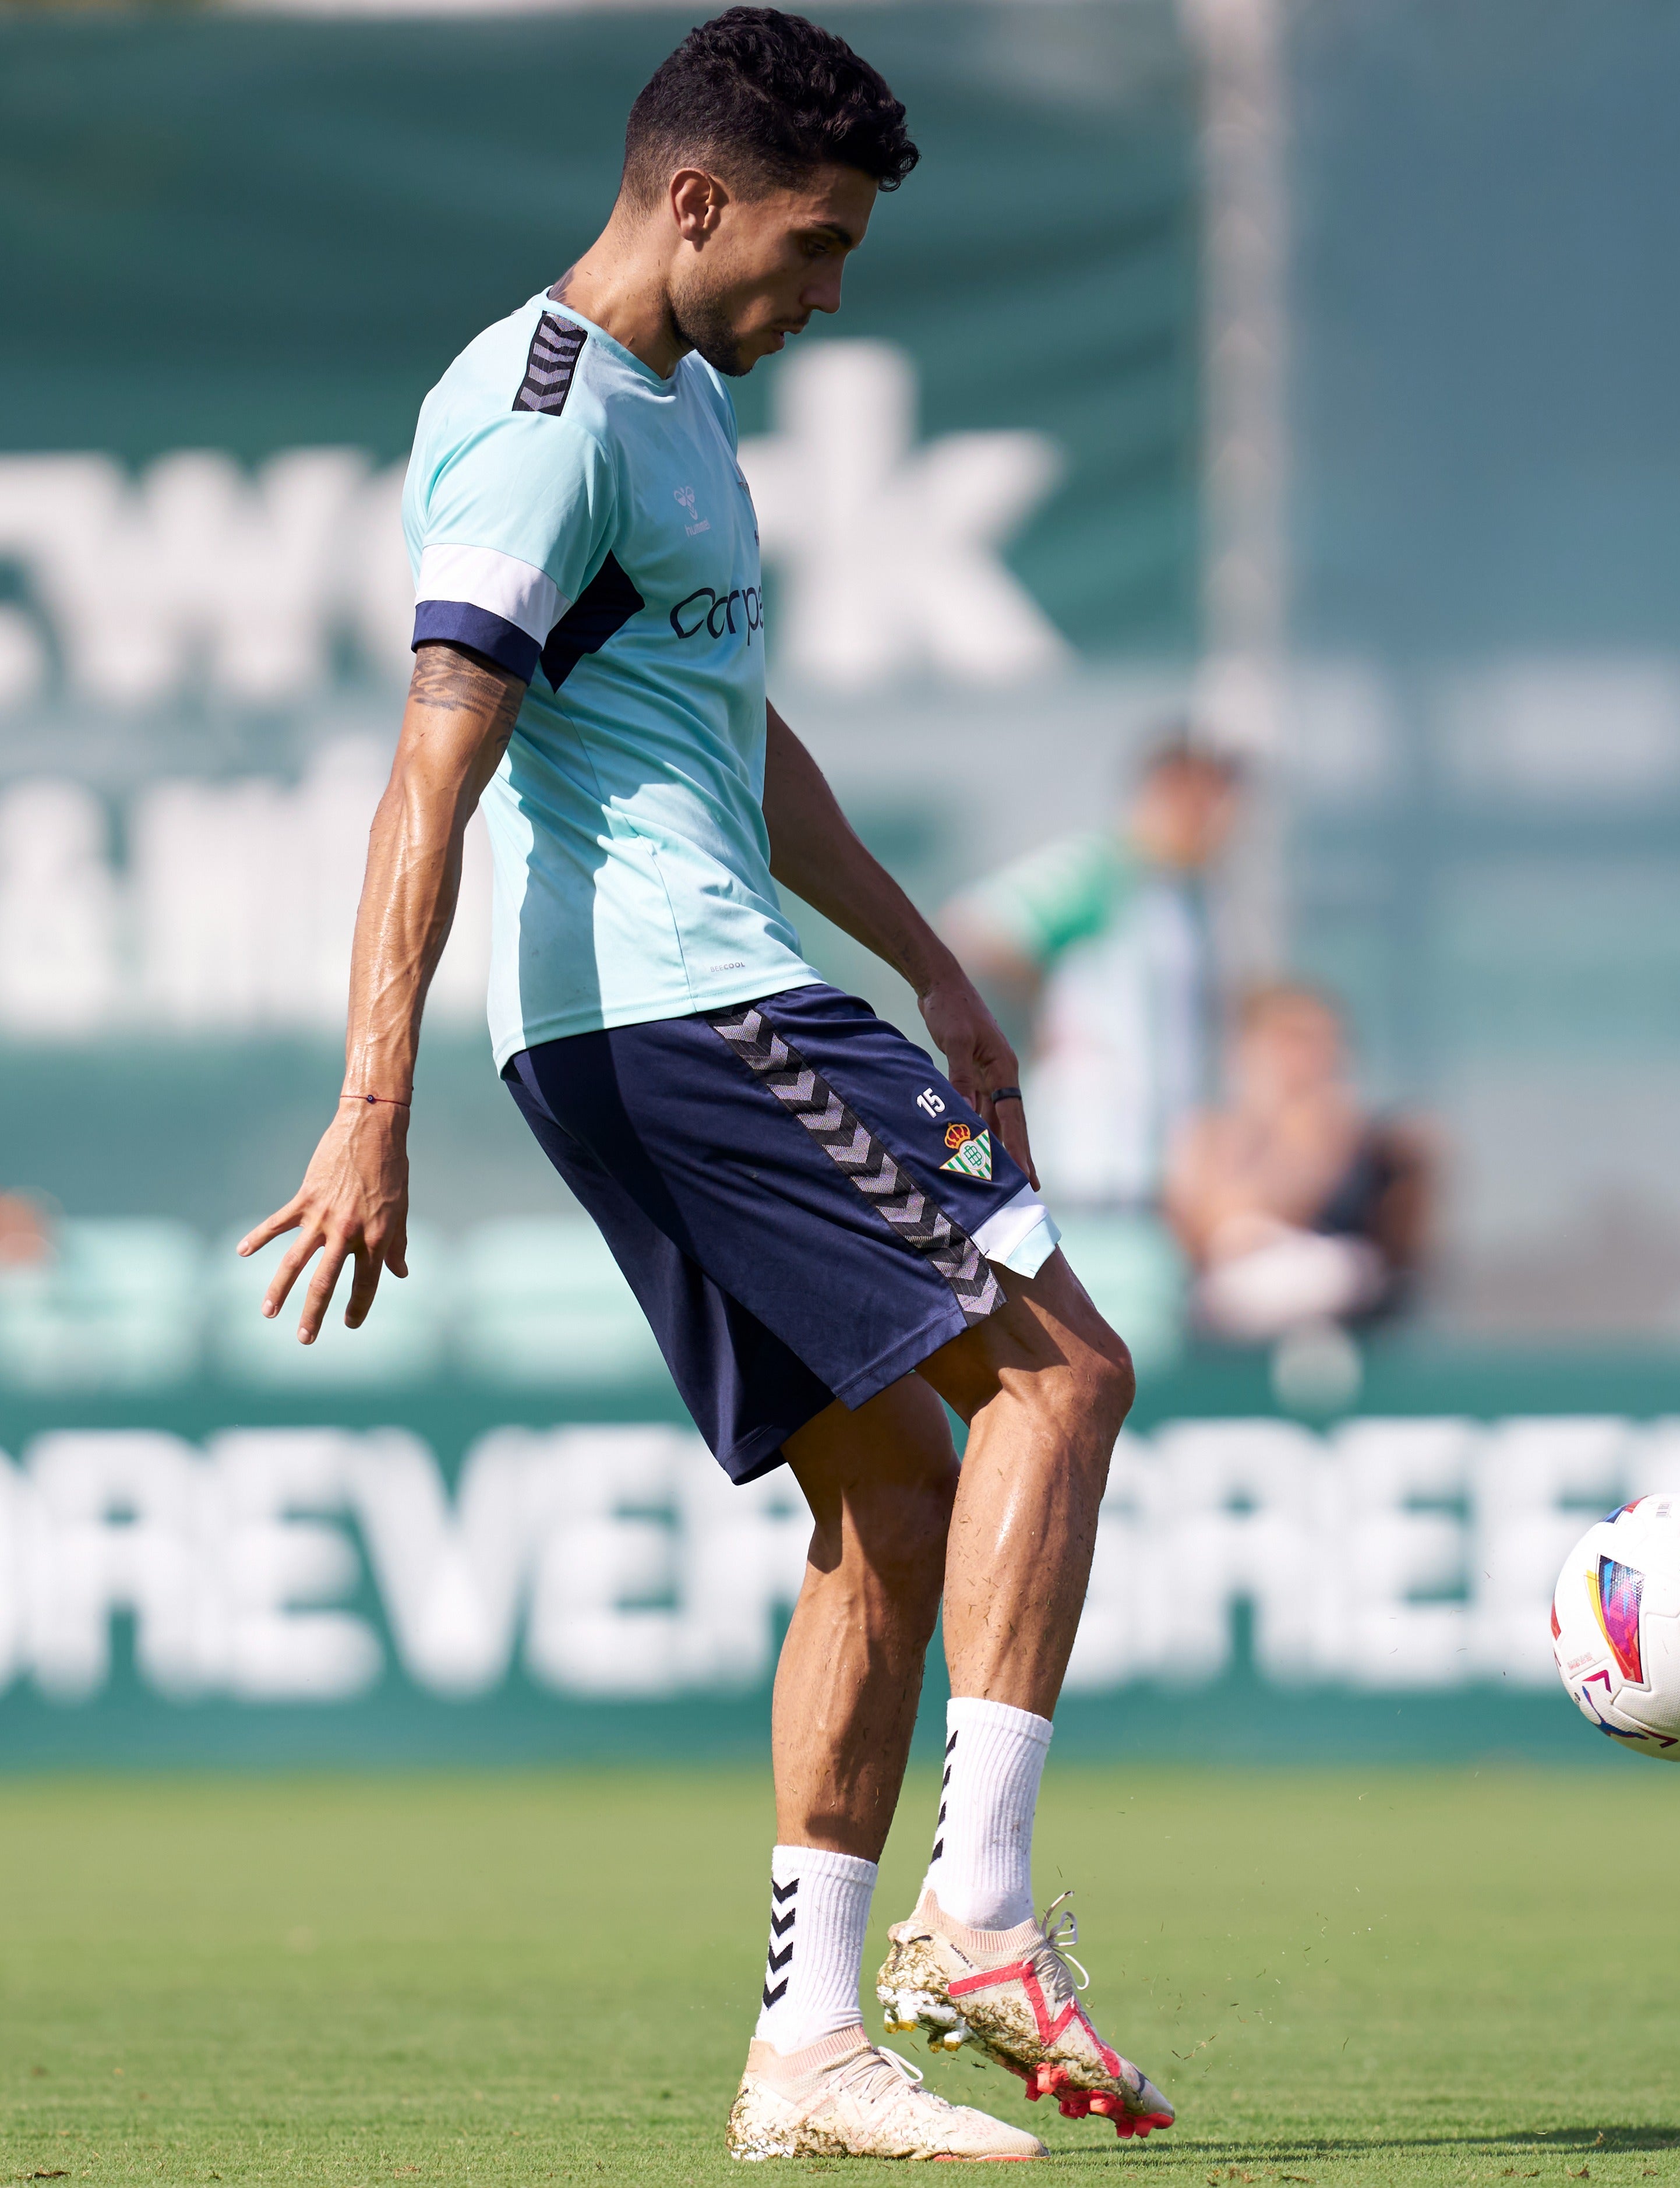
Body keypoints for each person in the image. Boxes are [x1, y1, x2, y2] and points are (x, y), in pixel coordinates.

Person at [240, 12, 1167, 2162]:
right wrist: (368, 1095)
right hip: (688, 1011)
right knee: (1068, 1377)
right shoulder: (545, 420)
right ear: (692, 200)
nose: (829, 293)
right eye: (816, 245)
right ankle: (984, 1915)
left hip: (654, 1023)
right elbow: (430, 755)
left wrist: (932, 960)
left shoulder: (671, 406)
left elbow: (725, 734)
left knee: (896, 1503)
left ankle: (806, 2051)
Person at [944, 736, 1240, 1212]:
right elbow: (975, 928)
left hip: (1165, 1180)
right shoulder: (1102, 871)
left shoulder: (1189, 898)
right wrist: (1036, 1014)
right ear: (1176, 794)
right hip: (1091, 1168)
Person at [1166, 983, 1437, 1344]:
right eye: (1292, 1041)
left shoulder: (1377, 1145)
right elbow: (1206, 1229)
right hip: (1232, 1338)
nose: (1311, 1058)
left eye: (1323, 1042)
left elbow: (1399, 1254)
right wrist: (1280, 1138)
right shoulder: (1209, 1135)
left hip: (1347, 1333)